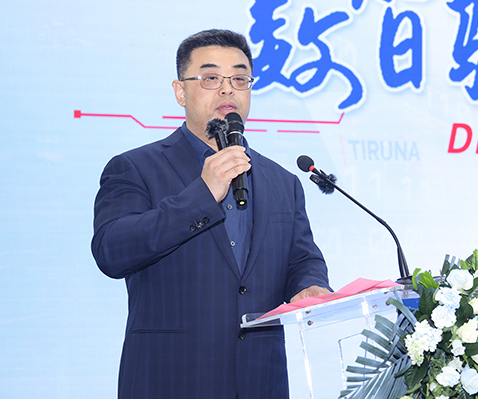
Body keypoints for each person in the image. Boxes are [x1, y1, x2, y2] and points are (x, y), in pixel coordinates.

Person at [92, 29, 331, 399]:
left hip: (260, 381)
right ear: (180, 91)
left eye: (239, 79)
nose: (227, 90)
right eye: (211, 78)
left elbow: (302, 259)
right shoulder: (135, 167)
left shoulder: (282, 181)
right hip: (170, 379)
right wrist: (202, 195)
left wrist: (309, 285)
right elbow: (112, 251)